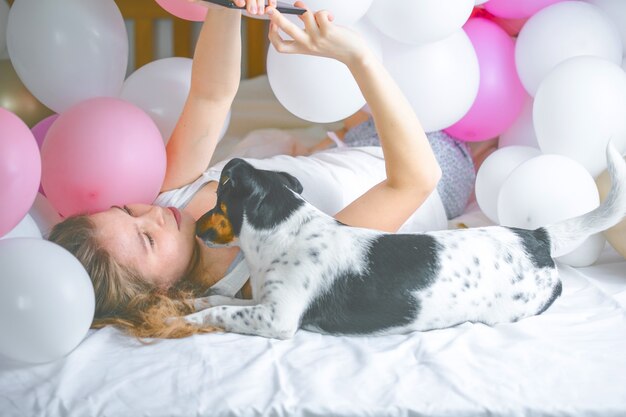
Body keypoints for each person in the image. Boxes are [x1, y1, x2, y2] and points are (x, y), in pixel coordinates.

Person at [48, 0, 465, 339]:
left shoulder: (170, 198)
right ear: (159, 295)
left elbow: (211, 96)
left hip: (362, 141)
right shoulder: (268, 277)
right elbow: (415, 180)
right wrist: (357, 56)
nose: (152, 215)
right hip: (433, 172)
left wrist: (227, 5)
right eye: (146, 241)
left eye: (127, 210)